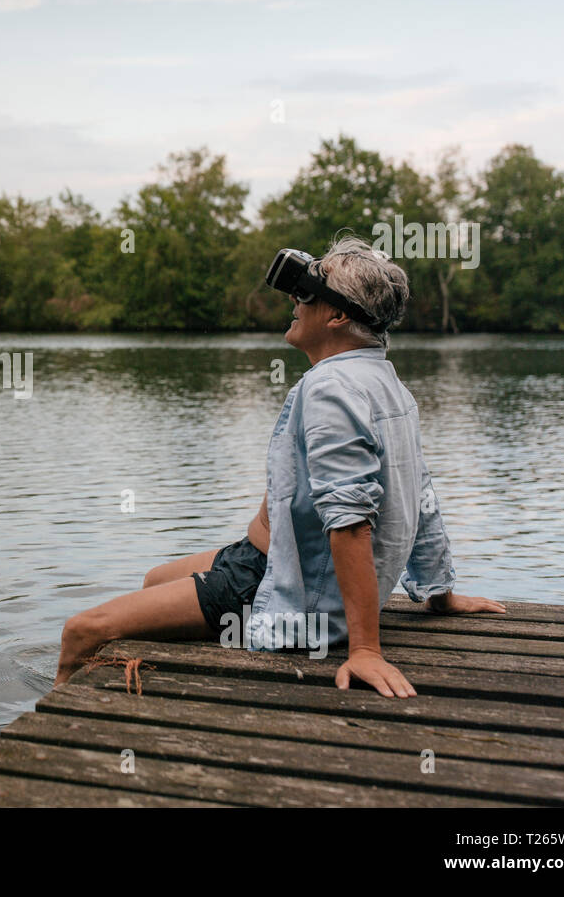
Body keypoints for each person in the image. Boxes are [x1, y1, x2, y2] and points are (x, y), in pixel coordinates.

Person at [53, 235, 504, 698]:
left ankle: (60, 722)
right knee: (155, 580)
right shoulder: (389, 385)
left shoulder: (331, 388)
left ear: (337, 315)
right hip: (266, 558)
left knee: (83, 630)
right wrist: (440, 594)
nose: (294, 299)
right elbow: (422, 496)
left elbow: (350, 520)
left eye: (307, 292)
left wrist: (365, 648)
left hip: (278, 586)